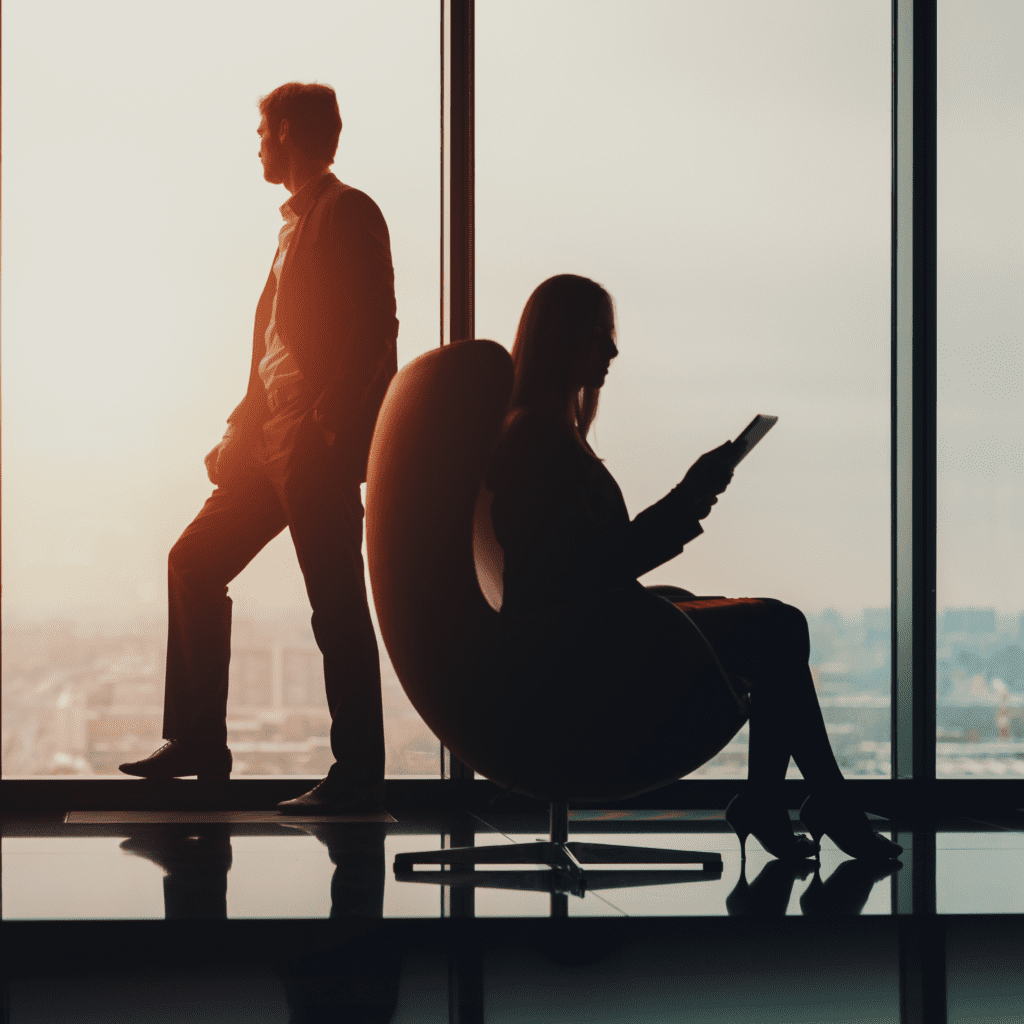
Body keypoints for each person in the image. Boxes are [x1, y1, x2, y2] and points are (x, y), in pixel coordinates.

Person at [486, 274, 901, 860]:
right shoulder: (536, 439)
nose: (613, 352)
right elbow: (594, 567)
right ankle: (805, 800)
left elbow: (590, 564)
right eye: (601, 336)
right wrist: (690, 497)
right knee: (779, 628)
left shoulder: (544, 434)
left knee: (778, 627)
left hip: (585, 634)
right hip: (581, 651)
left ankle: (789, 800)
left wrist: (691, 499)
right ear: (565, 339)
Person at [120, 82, 397, 814]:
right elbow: (274, 351)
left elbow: (376, 328)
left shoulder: (349, 210)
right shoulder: (290, 229)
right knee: (193, 561)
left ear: (292, 136)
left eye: (264, 133)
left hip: (312, 444)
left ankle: (359, 777)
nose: (258, 145)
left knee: (335, 606)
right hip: (270, 441)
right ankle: (197, 742)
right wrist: (239, 431)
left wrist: (329, 430)